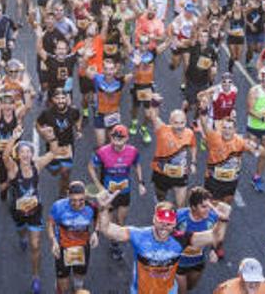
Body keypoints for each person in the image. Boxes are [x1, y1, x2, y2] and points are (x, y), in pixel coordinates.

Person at [97, 195, 231, 294]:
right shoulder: (139, 235)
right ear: (154, 219)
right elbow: (107, 230)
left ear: (174, 223)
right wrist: (103, 208)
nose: (164, 227)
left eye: (169, 223)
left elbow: (215, 236)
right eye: (161, 221)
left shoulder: (181, 238)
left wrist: (223, 219)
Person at [3, 131, 62, 294]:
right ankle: (21, 237)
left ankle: (36, 277)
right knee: (21, 232)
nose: (26, 155)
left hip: (35, 212)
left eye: (28, 152)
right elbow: (5, 157)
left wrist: (52, 137)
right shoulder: (13, 169)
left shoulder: (37, 165)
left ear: (32, 154)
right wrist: (13, 138)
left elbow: (54, 152)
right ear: (18, 155)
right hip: (18, 212)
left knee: (35, 246)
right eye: (22, 152)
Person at [88, 124, 145, 261]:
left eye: (121, 138)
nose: (117, 141)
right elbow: (90, 167)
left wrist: (141, 182)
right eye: (114, 137)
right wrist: (99, 186)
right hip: (108, 194)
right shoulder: (102, 152)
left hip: (124, 192)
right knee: (107, 218)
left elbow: (137, 164)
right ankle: (109, 239)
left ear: (127, 139)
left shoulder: (132, 151)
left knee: (120, 220)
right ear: (110, 137)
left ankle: (115, 241)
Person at [48, 181, 99, 294]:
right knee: (63, 286)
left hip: (82, 247)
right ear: (68, 196)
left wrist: (96, 232)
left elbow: (97, 218)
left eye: (81, 200)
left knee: (79, 282)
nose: (77, 204)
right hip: (63, 247)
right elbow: (51, 224)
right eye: (73, 201)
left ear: (85, 196)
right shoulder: (59, 206)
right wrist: (53, 241)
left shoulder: (91, 207)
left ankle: (76, 288)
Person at [175, 187, 224, 293]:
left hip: (197, 262)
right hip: (178, 263)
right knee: (182, 292)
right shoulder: (179, 216)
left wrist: (214, 250)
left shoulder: (212, 218)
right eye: (203, 207)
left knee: (190, 287)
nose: (208, 210)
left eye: (209, 206)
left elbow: (217, 235)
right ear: (193, 207)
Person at [149, 107, 197, 208]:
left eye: (182, 123)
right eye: (176, 123)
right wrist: (154, 103)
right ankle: (159, 203)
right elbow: (153, 116)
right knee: (161, 198)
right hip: (161, 172)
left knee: (181, 204)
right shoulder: (162, 130)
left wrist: (193, 162)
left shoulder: (189, 133)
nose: (179, 126)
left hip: (180, 173)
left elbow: (193, 146)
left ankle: (178, 221)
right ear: (170, 122)